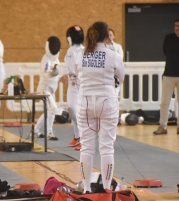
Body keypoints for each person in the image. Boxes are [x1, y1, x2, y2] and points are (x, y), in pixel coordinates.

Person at [75, 22, 125, 193]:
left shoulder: (79, 54)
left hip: (85, 102)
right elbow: (122, 77)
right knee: (106, 147)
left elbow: (78, 76)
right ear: (106, 37)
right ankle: (106, 189)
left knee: (86, 147)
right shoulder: (113, 55)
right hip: (107, 102)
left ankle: (87, 189)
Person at [56, 25, 84, 150]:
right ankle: (78, 137)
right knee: (72, 109)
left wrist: (56, 67)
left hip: (82, 83)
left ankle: (83, 138)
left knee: (78, 111)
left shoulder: (78, 50)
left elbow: (71, 69)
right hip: (73, 83)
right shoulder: (73, 50)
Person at [32, 36, 61, 141]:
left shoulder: (55, 59)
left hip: (51, 89)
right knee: (53, 108)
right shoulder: (46, 60)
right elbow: (46, 74)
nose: (55, 47)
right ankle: (49, 133)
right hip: (44, 90)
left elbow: (56, 73)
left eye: (56, 45)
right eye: (52, 45)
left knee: (50, 110)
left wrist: (60, 77)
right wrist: (52, 73)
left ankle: (35, 130)